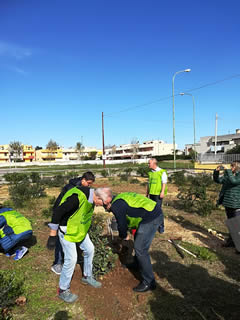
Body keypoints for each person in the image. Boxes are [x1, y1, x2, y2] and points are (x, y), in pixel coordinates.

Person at [96, 188, 164, 293]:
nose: (97, 204)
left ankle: (149, 282)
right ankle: (137, 264)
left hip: (151, 218)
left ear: (105, 200)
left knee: (140, 249)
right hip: (150, 214)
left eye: (98, 201)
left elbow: (122, 225)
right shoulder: (118, 198)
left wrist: (123, 236)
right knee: (138, 242)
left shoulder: (117, 206)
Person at [46, 185, 103, 303]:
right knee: (71, 259)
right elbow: (58, 211)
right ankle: (63, 290)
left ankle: (87, 276)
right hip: (67, 231)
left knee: (90, 249)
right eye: (101, 203)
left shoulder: (91, 197)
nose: (99, 206)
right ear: (97, 196)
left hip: (79, 230)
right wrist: (53, 234)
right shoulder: (76, 198)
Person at [51, 171, 95, 275]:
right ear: (83, 180)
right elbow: (63, 207)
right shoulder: (72, 188)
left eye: (91, 184)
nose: (89, 186)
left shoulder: (87, 190)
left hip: (73, 216)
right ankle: (58, 263)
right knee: (61, 238)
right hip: (62, 213)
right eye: (88, 183)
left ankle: (74, 257)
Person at [213, 162, 240, 247]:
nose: (230, 167)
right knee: (231, 224)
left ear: (237, 167)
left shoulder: (238, 175)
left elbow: (234, 181)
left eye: (232, 166)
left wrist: (228, 170)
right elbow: (218, 180)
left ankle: (238, 245)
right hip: (228, 203)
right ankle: (231, 242)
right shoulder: (228, 175)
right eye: (230, 165)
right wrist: (216, 172)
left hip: (236, 204)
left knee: (237, 226)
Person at [146, 158, 167, 233]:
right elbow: (149, 184)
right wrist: (147, 193)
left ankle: (161, 226)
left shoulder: (161, 172)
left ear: (154, 164)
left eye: (149, 163)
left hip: (158, 194)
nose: (148, 164)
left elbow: (164, 183)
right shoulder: (150, 173)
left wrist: (162, 192)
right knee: (151, 210)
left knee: (158, 210)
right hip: (151, 194)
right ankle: (153, 225)